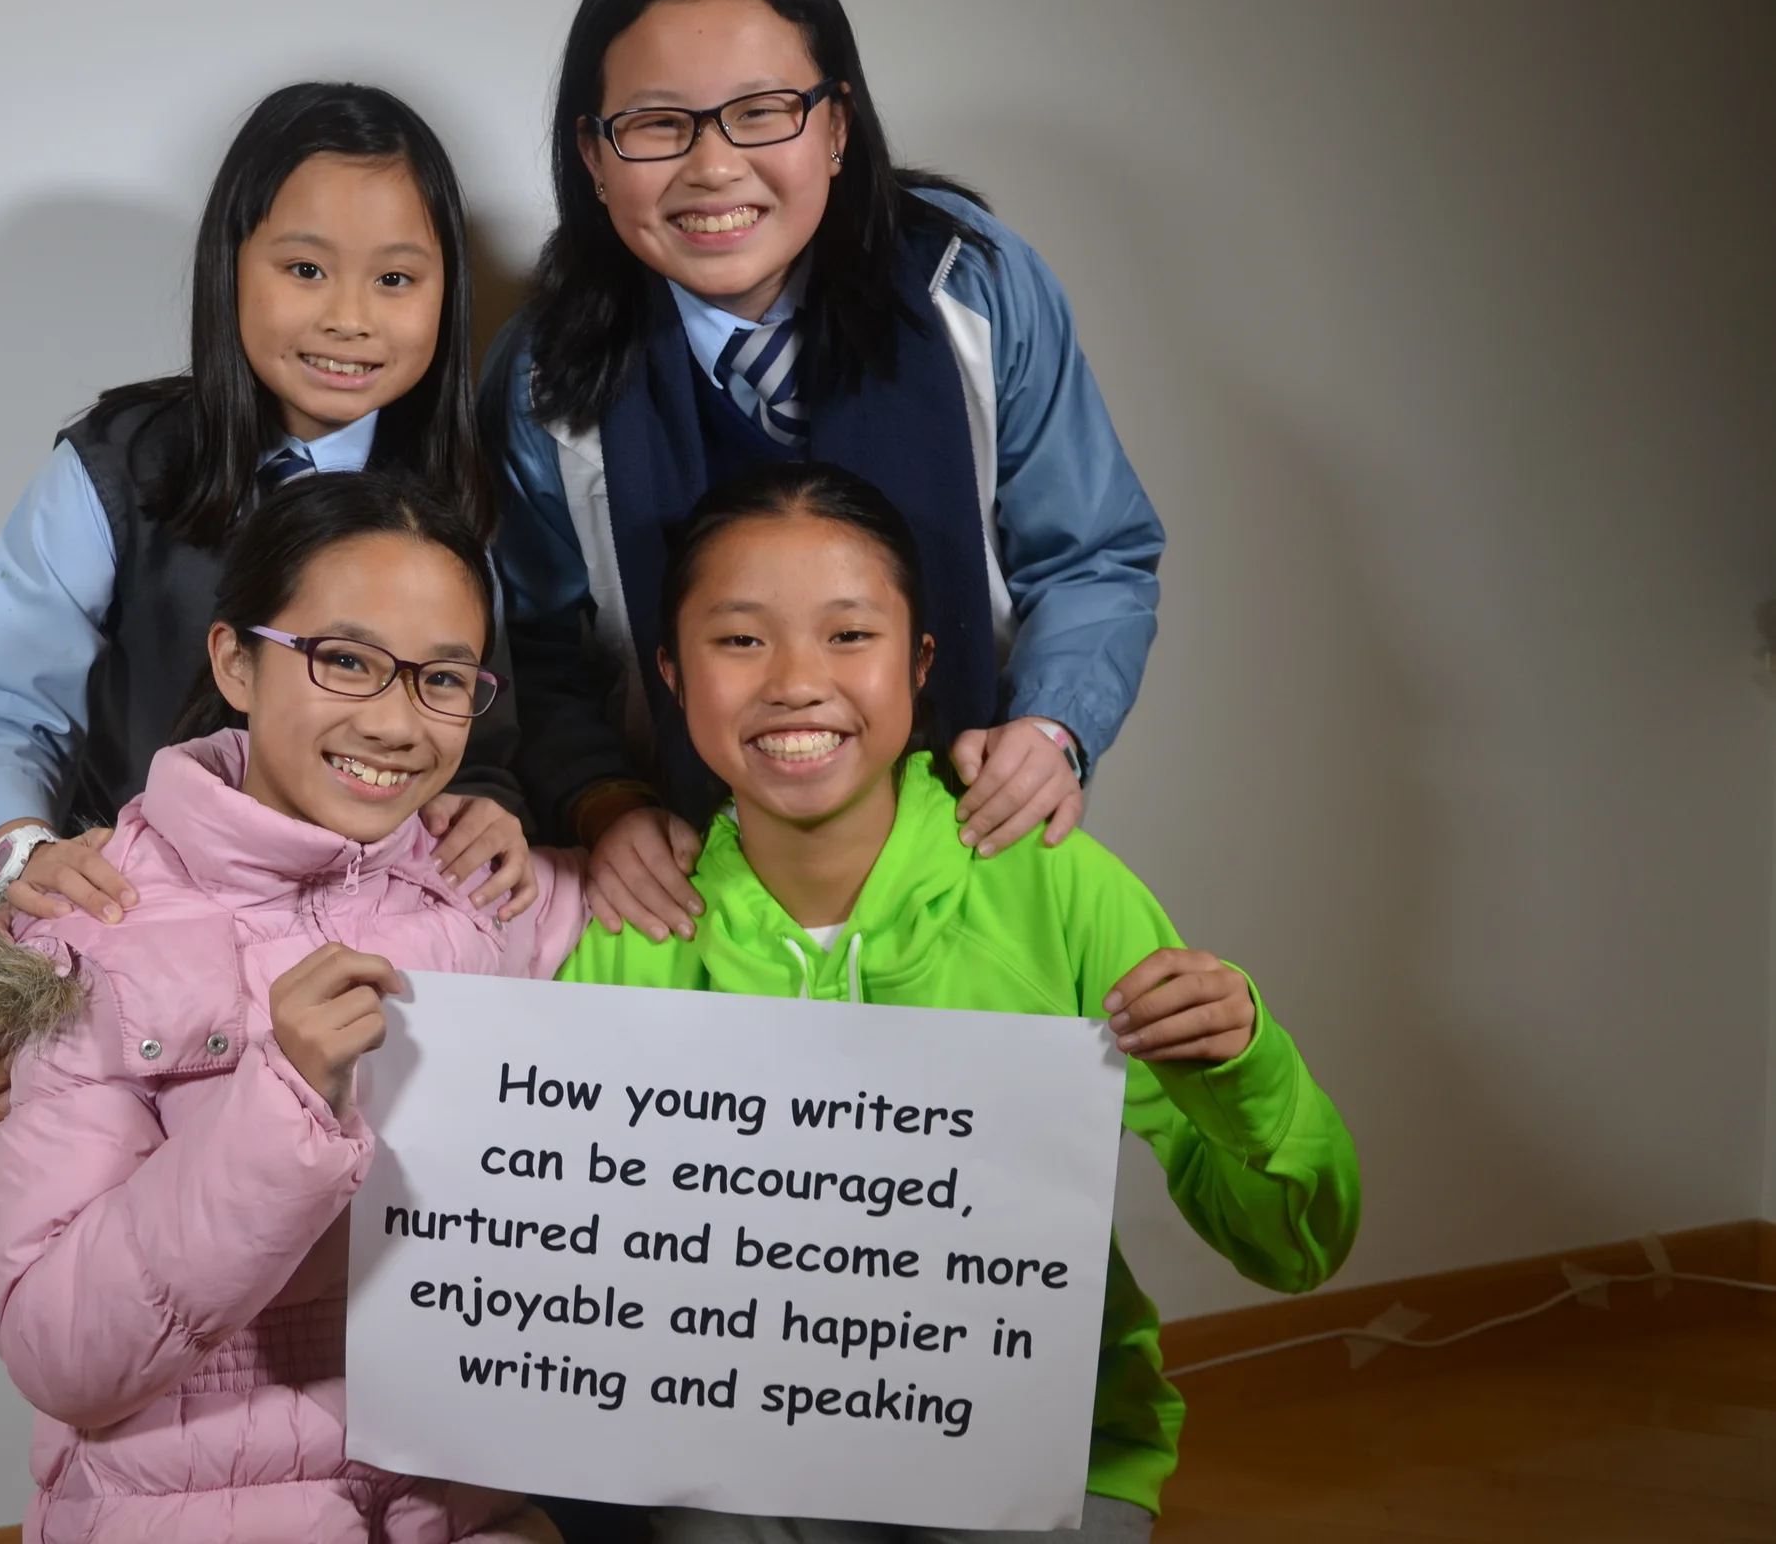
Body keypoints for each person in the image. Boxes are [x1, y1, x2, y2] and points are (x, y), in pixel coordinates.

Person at [557, 463, 1359, 1543]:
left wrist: (1245, 1066)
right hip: (741, 1455)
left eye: (850, 635)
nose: (796, 681)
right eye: (739, 639)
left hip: (1034, 1452)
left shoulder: (1053, 886)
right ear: (670, 672)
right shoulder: (631, 928)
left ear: (920, 661)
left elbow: (1296, 1251)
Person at [0, 473, 588, 1543]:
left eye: (443, 680)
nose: (395, 722)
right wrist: (281, 1105)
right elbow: (59, 1356)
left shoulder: (494, 895)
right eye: (345, 660)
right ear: (235, 663)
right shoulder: (91, 926)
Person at [489, 0, 1166, 946]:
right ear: (592, 152)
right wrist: (600, 802)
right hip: (692, 894)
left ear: (837, 124)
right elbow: (531, 648)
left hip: (968, 869)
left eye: (762, 113)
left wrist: (1053, 728)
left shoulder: (972, 288)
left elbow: (1093, 554)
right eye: (657, 124)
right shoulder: (549, 372)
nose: (714, 167)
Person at [0, 83, 533, 1175]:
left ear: (447, 294)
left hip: (358, 980)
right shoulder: (121, 465)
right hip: (143, 973)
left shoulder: (463, 495)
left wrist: (494, 805)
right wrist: (28, 855)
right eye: (304, 270)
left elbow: (476, 722)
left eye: (396, 280)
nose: (349, 317)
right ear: (229, 269)